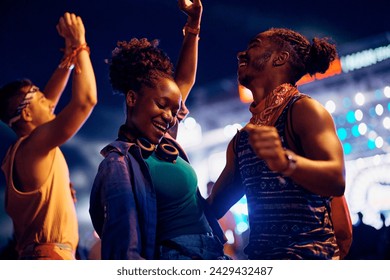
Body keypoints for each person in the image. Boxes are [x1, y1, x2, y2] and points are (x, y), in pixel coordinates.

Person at [89, 0, 226, 260]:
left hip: (213, 253)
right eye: (162, 105)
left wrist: (193, 26)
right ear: (132, 98)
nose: (169, 117)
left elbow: (183, 82)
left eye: (174, 111)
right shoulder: (119, 163)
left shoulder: (163, 142)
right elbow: (122, 246)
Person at [207, 27, 350, 259]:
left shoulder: (303, 109)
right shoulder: (241, 140)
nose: (240, 54)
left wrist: (285, 162)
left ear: (280, 58)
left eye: (253, 46)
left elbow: (336, 180)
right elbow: (213, 208)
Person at [0, 12, 97, 260]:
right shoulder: (33, 148)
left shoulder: (23, 150)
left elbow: (46, 107)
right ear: (28, 115)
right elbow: (86, 101)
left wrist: (69, 56)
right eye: (41, 99)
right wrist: (81, 43)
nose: (50, 103)